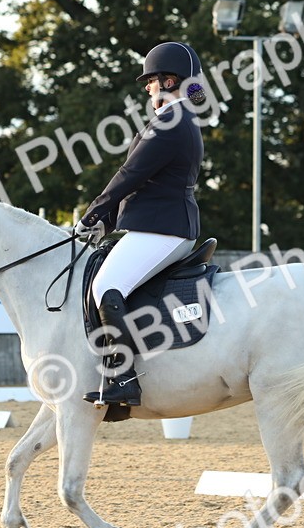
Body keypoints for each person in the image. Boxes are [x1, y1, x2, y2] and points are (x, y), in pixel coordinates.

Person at [75, 41, 206, 407]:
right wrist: (109, 220)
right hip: (163, 225)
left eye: (151, 81)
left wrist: (93, 212)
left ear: (167, 80)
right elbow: (148, 182)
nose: (147, 88)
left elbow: (130, 173)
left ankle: (124, 379)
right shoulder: (181, 120)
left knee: (106, 286)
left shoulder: (172, 119)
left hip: (164, 229)